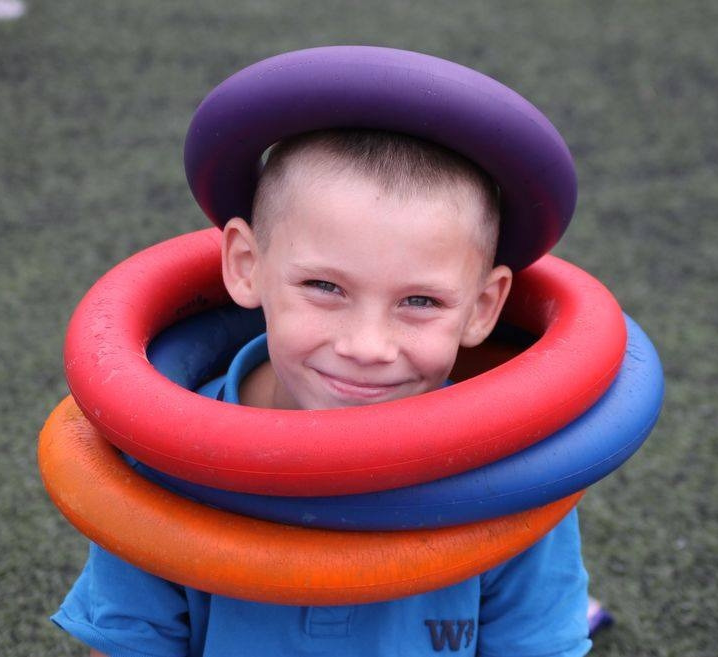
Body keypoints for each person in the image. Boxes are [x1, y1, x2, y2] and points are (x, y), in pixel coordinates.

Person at [53, 129, 591, 656]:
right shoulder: (162, 459)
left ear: (482, 307)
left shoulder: (512, 477)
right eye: (325, 286)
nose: (367, 347)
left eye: (421, 301)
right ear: (246, 266)